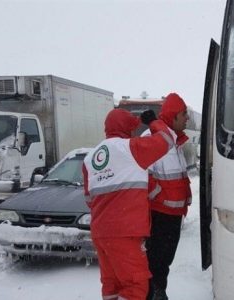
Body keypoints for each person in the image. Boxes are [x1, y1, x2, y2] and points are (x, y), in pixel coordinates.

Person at [82, 108, 174, 300]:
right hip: (125, 232)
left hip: (100, 233)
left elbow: (89, 199)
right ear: (127, 129)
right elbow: (167, 141)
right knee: (136, 285)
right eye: (132, 129)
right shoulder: (130, 148)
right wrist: (153, 122)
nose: (134, 132)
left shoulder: (89, 159)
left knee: (111, 284)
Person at [141, 93, 192, 300]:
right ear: (173, 116)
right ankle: (153, 295)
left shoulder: (174, 139)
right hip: (160, 214)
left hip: (173, 214)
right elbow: (142, 172)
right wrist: (159, 197)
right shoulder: (153, 137)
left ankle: (159, 292)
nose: (187, 118)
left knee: (163, 261)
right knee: (155, 262)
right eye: (184, 114)